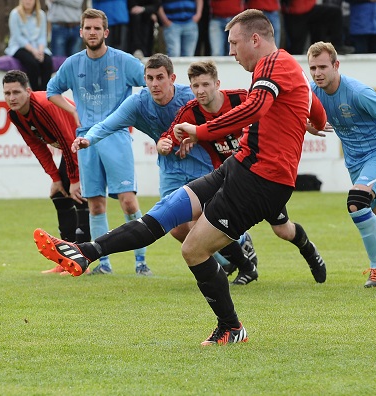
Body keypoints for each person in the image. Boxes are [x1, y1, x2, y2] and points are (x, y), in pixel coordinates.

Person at [35, 9, 328, 345]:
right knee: (163, 215)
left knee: (193, 250)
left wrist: (201, 131)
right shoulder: (281, 67)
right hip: (240, 167)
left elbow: (255, 108)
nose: (231, 51)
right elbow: (311, 105)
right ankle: (85, 251)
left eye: (234, 43)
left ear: (255, 39)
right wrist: (313, 121)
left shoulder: (274, 62)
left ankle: (231, 327)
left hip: (262, 180)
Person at [71, 56, 258, 279]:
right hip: (170, 170)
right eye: (149, 78)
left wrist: (196, 137)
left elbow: (220, 120)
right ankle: (223, 263)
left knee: (206, 221)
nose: (154, 84)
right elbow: (108, 124)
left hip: (203, 166)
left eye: (160, 78)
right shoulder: (137, 103)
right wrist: (88, 139)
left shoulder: (191, 96)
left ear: (172, 78)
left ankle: (242, 248)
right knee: (176, 227)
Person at [161, 60, 327, 285]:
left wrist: (302, 122)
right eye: (195, 86)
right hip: (227, 179)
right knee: (211, 224)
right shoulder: (190, 113)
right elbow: (170, 136)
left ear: (217, 83)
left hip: (260, 176)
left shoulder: (242, 98)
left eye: (205, 84)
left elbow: (274, 110)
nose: (200, 91)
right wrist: (168, 142)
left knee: (282, 230)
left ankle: (308, 250)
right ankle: (246, 267)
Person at [46, 8, 151, 276]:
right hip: (86, 139)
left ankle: (141, 262)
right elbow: (52, 91)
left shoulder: (124, 61)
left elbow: (150, 84)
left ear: (106, 32)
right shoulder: (72, 63)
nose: (92, 32)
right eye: (87, 28)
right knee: (95, 203)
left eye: (97, 28)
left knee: (128, 201)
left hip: (115, 135)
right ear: (81, 32)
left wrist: (135, 111)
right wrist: (72, 110)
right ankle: (103, 265)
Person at [307, 41, 376, 287]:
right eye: (313, 68)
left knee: (356, 202)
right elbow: (293, 115)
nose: (317, 73)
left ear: (336, 65)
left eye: (322, 67)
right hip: (355, 163)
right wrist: (306, 125)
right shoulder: (311, 94)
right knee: (374, 214)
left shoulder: (358, 93)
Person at [2, 70, 90, 274]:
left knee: (78, 195)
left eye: (16, 92)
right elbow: (37, 147)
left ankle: (83, 261)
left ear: (28, 91)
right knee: (60, 194)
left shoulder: (44, 105)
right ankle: (65, 260)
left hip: (86, 145)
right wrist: (56, 178)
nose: (12, 98)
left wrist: (74, 179)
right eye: (7, 93)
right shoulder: (15, 114)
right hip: (73, 148)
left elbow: (69, 141)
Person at [5, 0, 53, 91]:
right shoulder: (15, 14)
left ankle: (45, 93)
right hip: (19, 47)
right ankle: (36, 93)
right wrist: (33, 51)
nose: (28, 1)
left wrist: (41, 50)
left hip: (38, 47)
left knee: (47, 62)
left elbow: (42, 36)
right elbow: (17, 37)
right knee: (32, 63)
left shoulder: (41, 15)